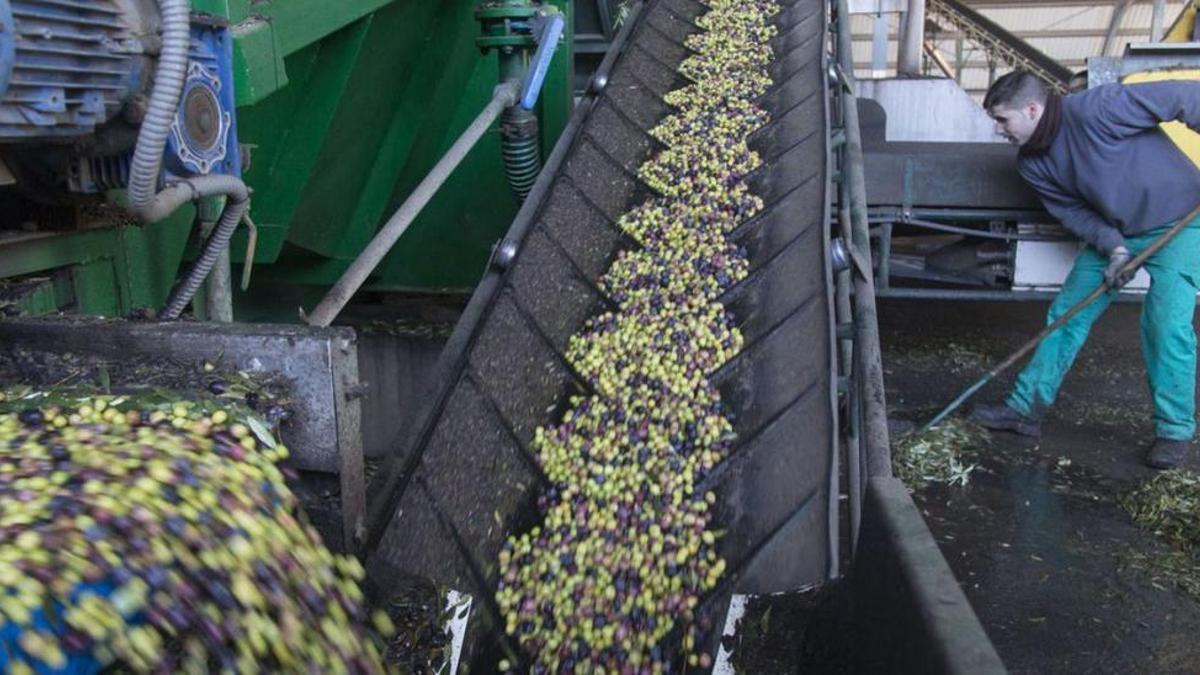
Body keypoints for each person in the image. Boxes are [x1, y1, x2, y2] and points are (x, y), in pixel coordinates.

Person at [971, 70, 1200, 469]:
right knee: (1068, 313)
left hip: (1181, 222)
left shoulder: (1101, 108)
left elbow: (1185, 97)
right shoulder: (1032, 163)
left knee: (1165, 323)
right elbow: (1073, 212)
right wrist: (1114, 249)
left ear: (1031, 109)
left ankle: (1174, 432)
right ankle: (1025, 410)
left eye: (1002, 119)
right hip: (1121, 233)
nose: (998, 129)